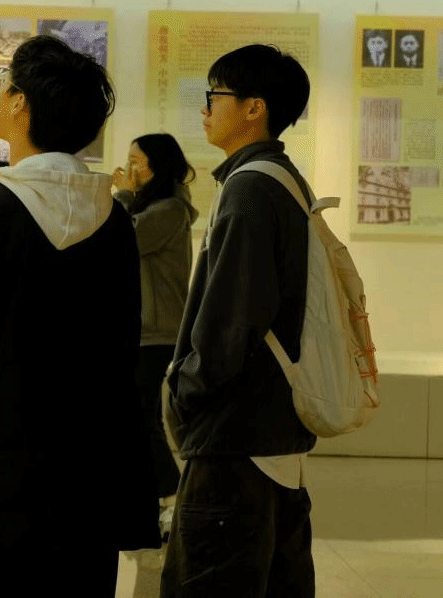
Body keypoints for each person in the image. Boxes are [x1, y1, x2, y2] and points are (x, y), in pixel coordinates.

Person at [0, 35, 160, 597]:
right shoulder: (112, 218)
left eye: (3, 83)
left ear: (20, 104)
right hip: (92, 459)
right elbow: (122, 335)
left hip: (3, 458)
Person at [161, 44, 316, 598]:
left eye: (215, 95)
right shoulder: (282, 180)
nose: (205, 109)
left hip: (234, 440)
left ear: (254, 107)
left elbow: (232, 319)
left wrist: (185, 391)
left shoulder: (250, 188)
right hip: (270, 435)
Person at [110, 134, 197, 538]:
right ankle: (152, 500)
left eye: (137, 161)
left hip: (156, 331)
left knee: (142, 417)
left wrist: (123, 197)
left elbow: (123, 241)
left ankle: (172, 495)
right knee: (137, 415)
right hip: (142, 329)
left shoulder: (170, 210)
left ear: (157, 165)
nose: (129, 169)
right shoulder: (157, 207)